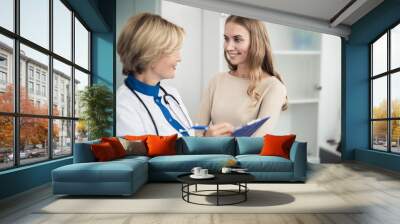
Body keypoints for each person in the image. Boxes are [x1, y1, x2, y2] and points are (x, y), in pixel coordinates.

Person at [116, 13, 232, 137]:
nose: (179, 58)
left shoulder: (171, 94)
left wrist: (206, 137)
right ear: (151, 53)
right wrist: (206, 141)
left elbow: (188, 138)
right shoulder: (123, 104)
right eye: (173, 51)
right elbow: (139, 155)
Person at [197, 15, 288, 137]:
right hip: (210, 155)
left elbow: (256, 143)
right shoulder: (217, 81)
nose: (228, 47)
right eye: (226, 39)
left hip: (243, 156)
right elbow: (197, 134)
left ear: (256, 42)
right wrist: (207, 137)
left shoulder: (273, 87)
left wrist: (212, 139)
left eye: (237, 39)